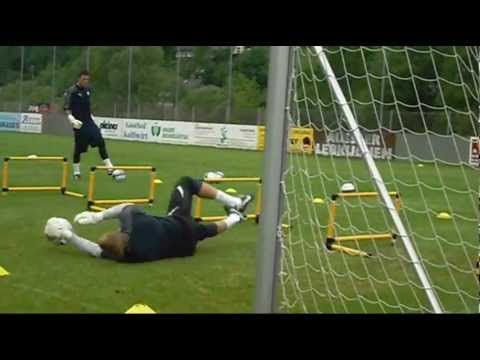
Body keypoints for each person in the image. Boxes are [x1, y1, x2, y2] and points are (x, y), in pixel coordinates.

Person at [54, 176, 253, 263]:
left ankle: (236, 217)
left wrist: (71, 237)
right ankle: (236, 202)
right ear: (121, 233)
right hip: (178, 222)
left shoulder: (127, 257)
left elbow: (95, 250)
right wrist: (98, 216)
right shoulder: (135, 224)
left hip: (186, 246)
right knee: (186, 182)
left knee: (206, 231)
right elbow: (125, 207)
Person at [64, 70, 115, 180]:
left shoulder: (88, 90)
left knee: (100, 140)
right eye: (84, 79)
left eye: (87, 79)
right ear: (79, 79)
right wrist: (71, 119)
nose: (86, 81)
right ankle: (76, 172)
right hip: (79, 123)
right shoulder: (71, 91)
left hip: (88, 121)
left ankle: (109, 166)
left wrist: (92, 117)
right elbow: (67, 108)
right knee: (79, 149)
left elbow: (87, 107)